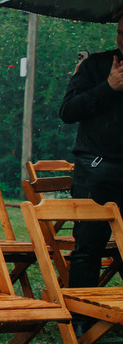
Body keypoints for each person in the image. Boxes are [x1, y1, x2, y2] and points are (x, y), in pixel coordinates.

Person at [59, 17, 123, 305]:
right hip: (96, 168)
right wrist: (107, 86)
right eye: (120, 32)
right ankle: (81, 317)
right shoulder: (95, 65)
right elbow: (67, 111)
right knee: (88, 247)